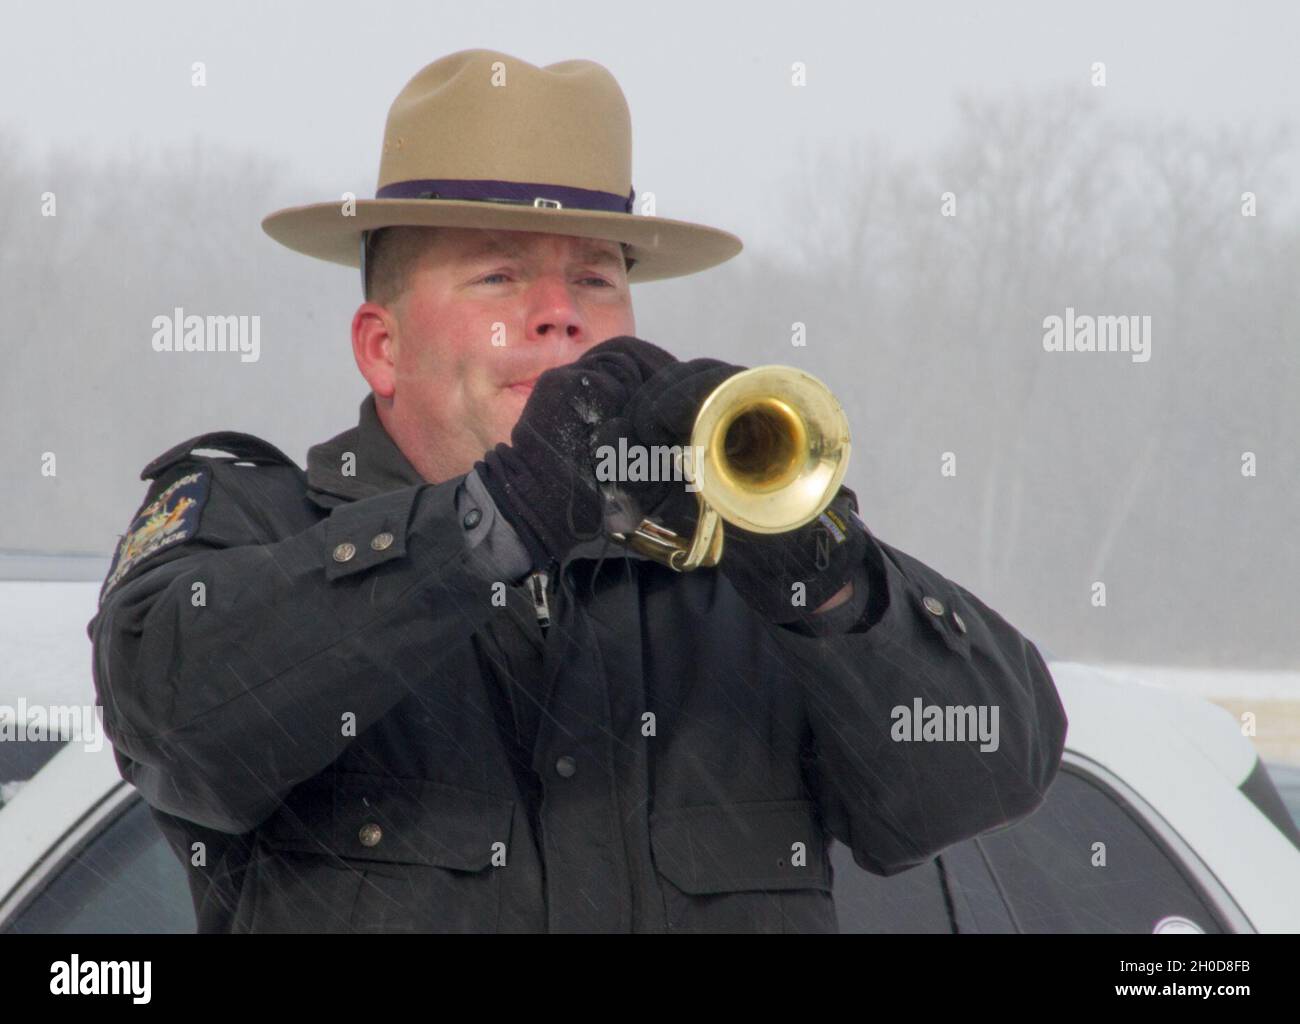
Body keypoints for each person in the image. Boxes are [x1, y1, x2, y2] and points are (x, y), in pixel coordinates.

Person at [88, 48, 1067, 933]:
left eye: (595, 280)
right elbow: (176, 727)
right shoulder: (254, 525)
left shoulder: (728, 570)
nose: (558, 315)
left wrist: (820, 569)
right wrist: (492, 523)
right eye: (500, 276)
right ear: (382, 348)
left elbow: (991, 769)